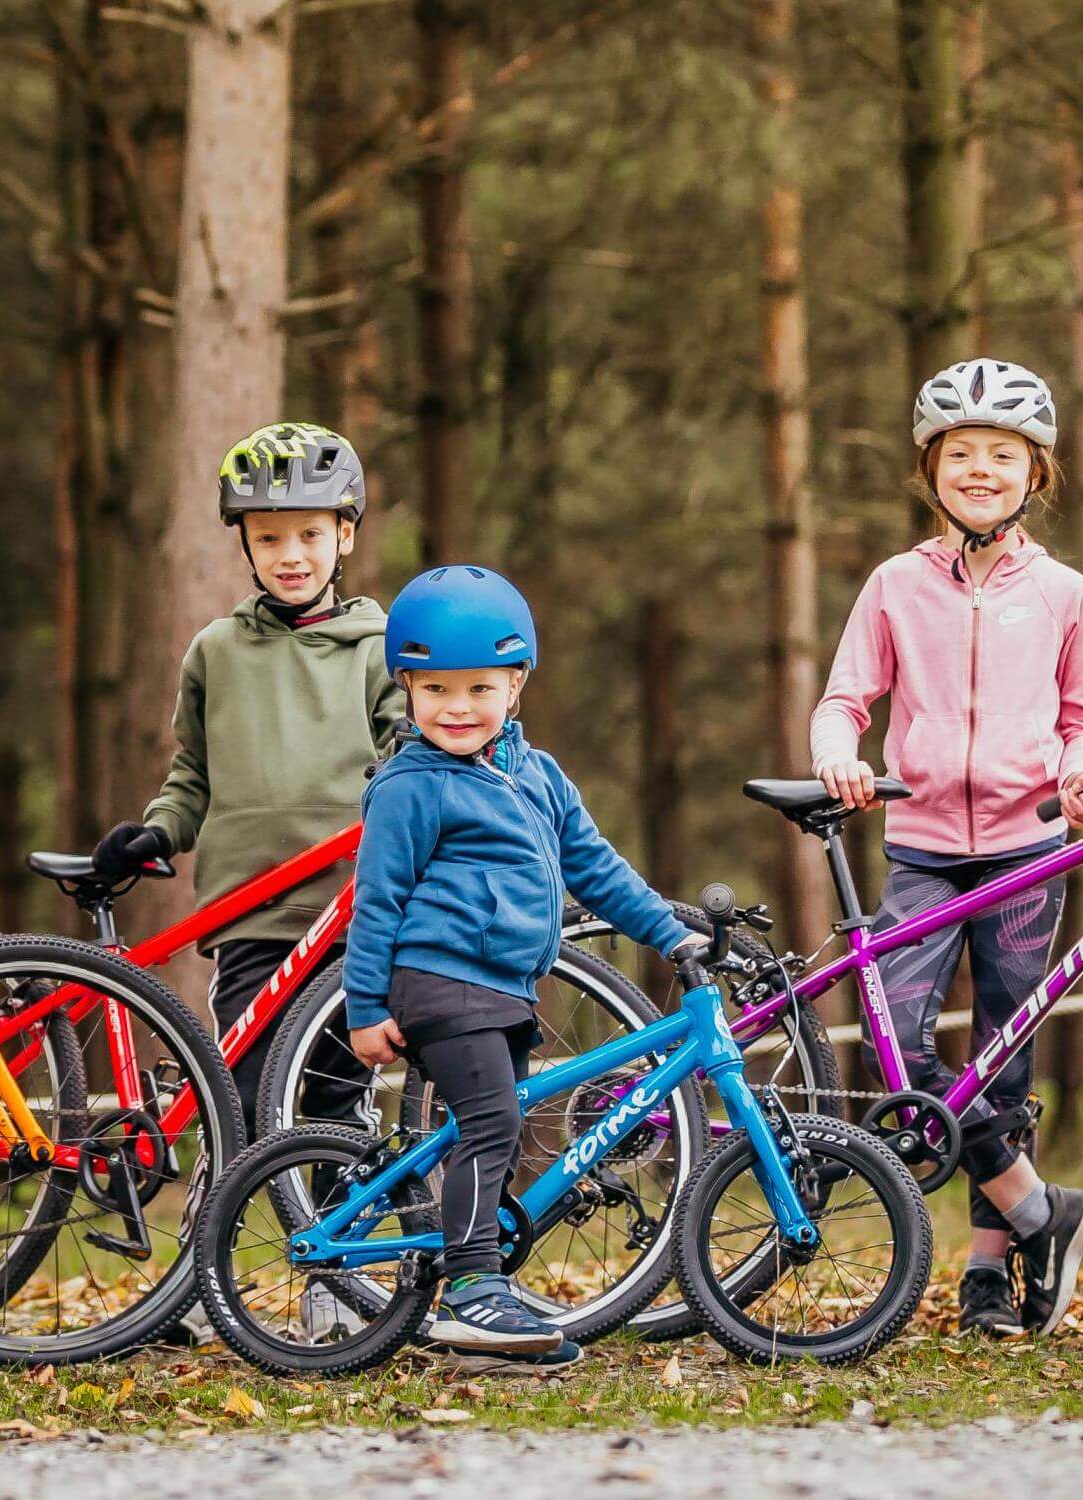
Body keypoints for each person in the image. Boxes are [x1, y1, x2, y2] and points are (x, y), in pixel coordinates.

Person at [811, 357, 1083, 1338]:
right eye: (961, 453)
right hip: (923, 845)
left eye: (1002, 455)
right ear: (929, 466)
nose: (980, 469)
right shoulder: (895, 584)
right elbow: (843, 700)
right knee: (895, 1040)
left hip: (1030, 849)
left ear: (1037, 473)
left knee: (1002, 1063)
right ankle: (1040, 1212)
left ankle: (989, 1272)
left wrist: (1080, 777)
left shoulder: (1065, 592)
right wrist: (838, 762)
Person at [343, 564, 706, 1366]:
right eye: (436, 691)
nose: (458, 709)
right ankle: (471, 1291)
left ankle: (481, 1290)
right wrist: (363, 1007)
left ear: (516, 685)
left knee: (497, 1132)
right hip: (439, 981)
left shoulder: (539, 778)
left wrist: (670, 934)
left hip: (503, 988)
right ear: (406, 688)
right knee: (493, 1122)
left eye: (478, 689)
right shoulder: (410, 787)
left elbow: (600, 870)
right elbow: (376, 901)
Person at [94, 422, 400, 1144]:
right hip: (251, 915)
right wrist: (160, 829)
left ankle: (338, 1253)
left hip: (351, 915)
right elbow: (193, 771)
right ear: (244, 545)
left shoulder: (382, 648)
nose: (289, 556)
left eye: (308, 535)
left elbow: (408, 759)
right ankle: (225, 1239)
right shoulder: (216, 651)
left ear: (344, 537)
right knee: (249, 1099)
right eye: (268, 539)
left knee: (333, 1100)